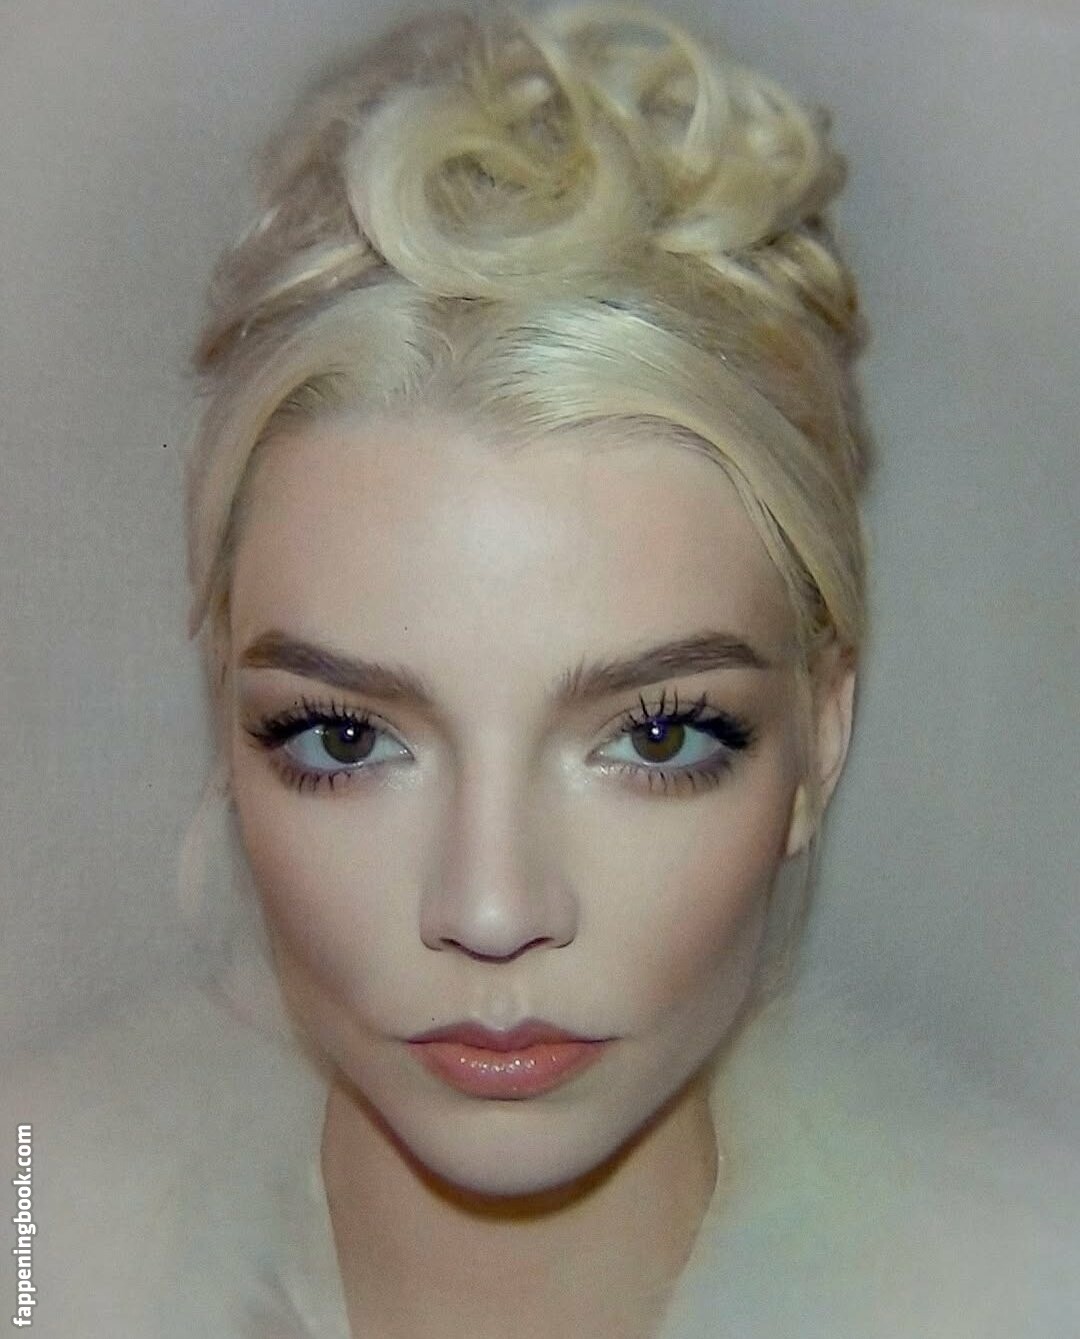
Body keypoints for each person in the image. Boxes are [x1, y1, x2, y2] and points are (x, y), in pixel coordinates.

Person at [8, 4, 1076, 1337]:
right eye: (345, 737)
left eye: (657, 736)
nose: (493, 907)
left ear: (824, 732)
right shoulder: (34, 1242)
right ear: (226, 725)